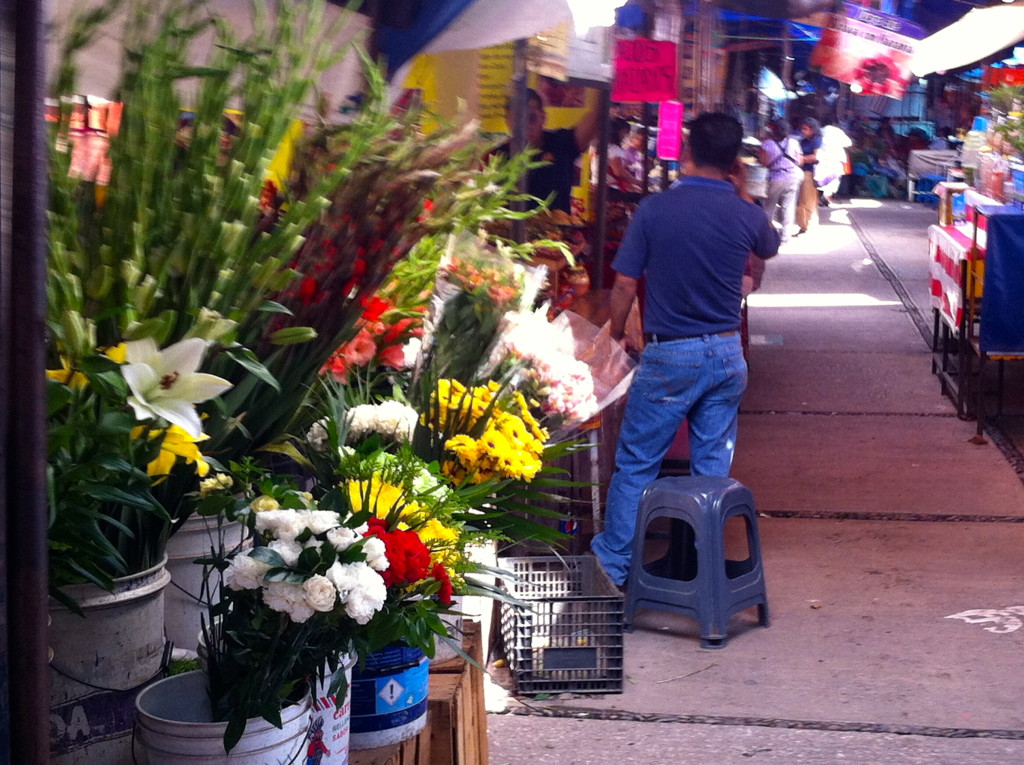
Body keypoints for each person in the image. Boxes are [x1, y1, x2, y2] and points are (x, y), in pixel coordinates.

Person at [589, 112, 780, 587]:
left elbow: (625, 283)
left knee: (637, 463)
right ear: (734, 162)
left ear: (688, 152)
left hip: (671, 356)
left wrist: (617, 332)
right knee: (710, 469)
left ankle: (614, 568)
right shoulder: (745, 213)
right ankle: (703, 567)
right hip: (726, 355)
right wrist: (740, 191)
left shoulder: (655, 209)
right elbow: (769, 244)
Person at [502, 87, 600, 213]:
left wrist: (603, 80)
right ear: (508, 121)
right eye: (517, 120)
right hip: (510, 225)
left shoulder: (561, 143)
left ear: (543, 117)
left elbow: (597, 115)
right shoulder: (496, 157)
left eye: (531, 118)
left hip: (557, 225)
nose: (525, 125)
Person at [759, 118, 803, 243]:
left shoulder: (767, 144)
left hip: (776, 178)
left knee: (769, 206)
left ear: (774, 130)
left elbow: (763, 163)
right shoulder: (794, 143)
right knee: (788, 206)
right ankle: (785, 237)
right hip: (793, 176)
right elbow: (800, 161)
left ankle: (765, 235)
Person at [816, 120, 853, 206]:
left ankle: (821, 197)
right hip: (836, 158)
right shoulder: (839, 132)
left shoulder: (820, 131)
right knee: (834, 179)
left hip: (823, 158)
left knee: (823, 178)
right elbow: (848, 143)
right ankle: (827, 197)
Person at [795, 117, 822, 234]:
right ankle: (808, 225)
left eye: (805, 129)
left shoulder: (817, 140)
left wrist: (800, 159)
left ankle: (805, 226)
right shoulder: (804, 141)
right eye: (802, 129)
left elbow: (816, 157)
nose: (803, 131)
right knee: (808, 200)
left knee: (807, 200)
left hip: (809, 173)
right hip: (803, 171)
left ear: (812, 129)